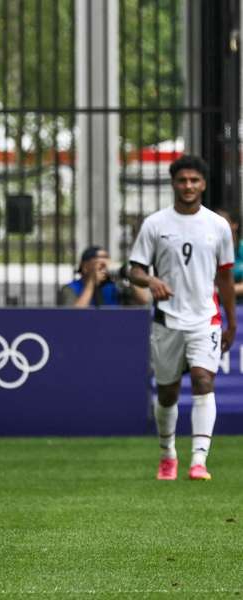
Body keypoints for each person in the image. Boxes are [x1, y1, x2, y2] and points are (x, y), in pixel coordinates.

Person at [128, 155, 236, 482]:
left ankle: (199, 461)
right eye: (182, 180)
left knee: (204, 380)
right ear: (173, 183)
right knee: (168, 393)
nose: (188, 186)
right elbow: (134, 271)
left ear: (203, 184)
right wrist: (151, 281)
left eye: (194, 180)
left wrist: (231, 321)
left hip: (206, 319)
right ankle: (167, 454)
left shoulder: (218, 226)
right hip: (167, 321)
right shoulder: (155, 224)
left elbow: (226, 279)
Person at [58, 245, 148, 307]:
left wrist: (128, 275)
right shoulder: (71, 288)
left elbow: (144, 301)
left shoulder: (116, 287)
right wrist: (91, 282)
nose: (105, 267)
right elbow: (73, 316)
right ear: (85, 267)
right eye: (100, 264)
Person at [215, 209, 243, 301]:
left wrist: (223, 290)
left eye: (222, 223)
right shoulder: (210, 249)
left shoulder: (241, 249)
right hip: (214, 306)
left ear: (234, 225)